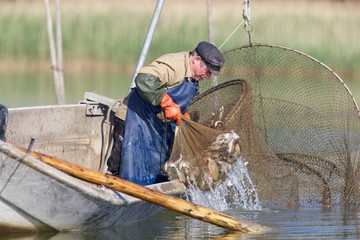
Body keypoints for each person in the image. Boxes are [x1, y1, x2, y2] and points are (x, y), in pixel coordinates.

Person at [107, 41, 225, 185]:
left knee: (157, 172)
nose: (207, 76)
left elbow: (180, 101)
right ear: (196, 60)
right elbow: (143, 79)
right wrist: (166, 102)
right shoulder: (174, 65)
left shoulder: (193, 79)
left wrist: (184, 114)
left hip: (154, 127)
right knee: (120, 170)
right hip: (133, 119)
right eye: (207, 71)